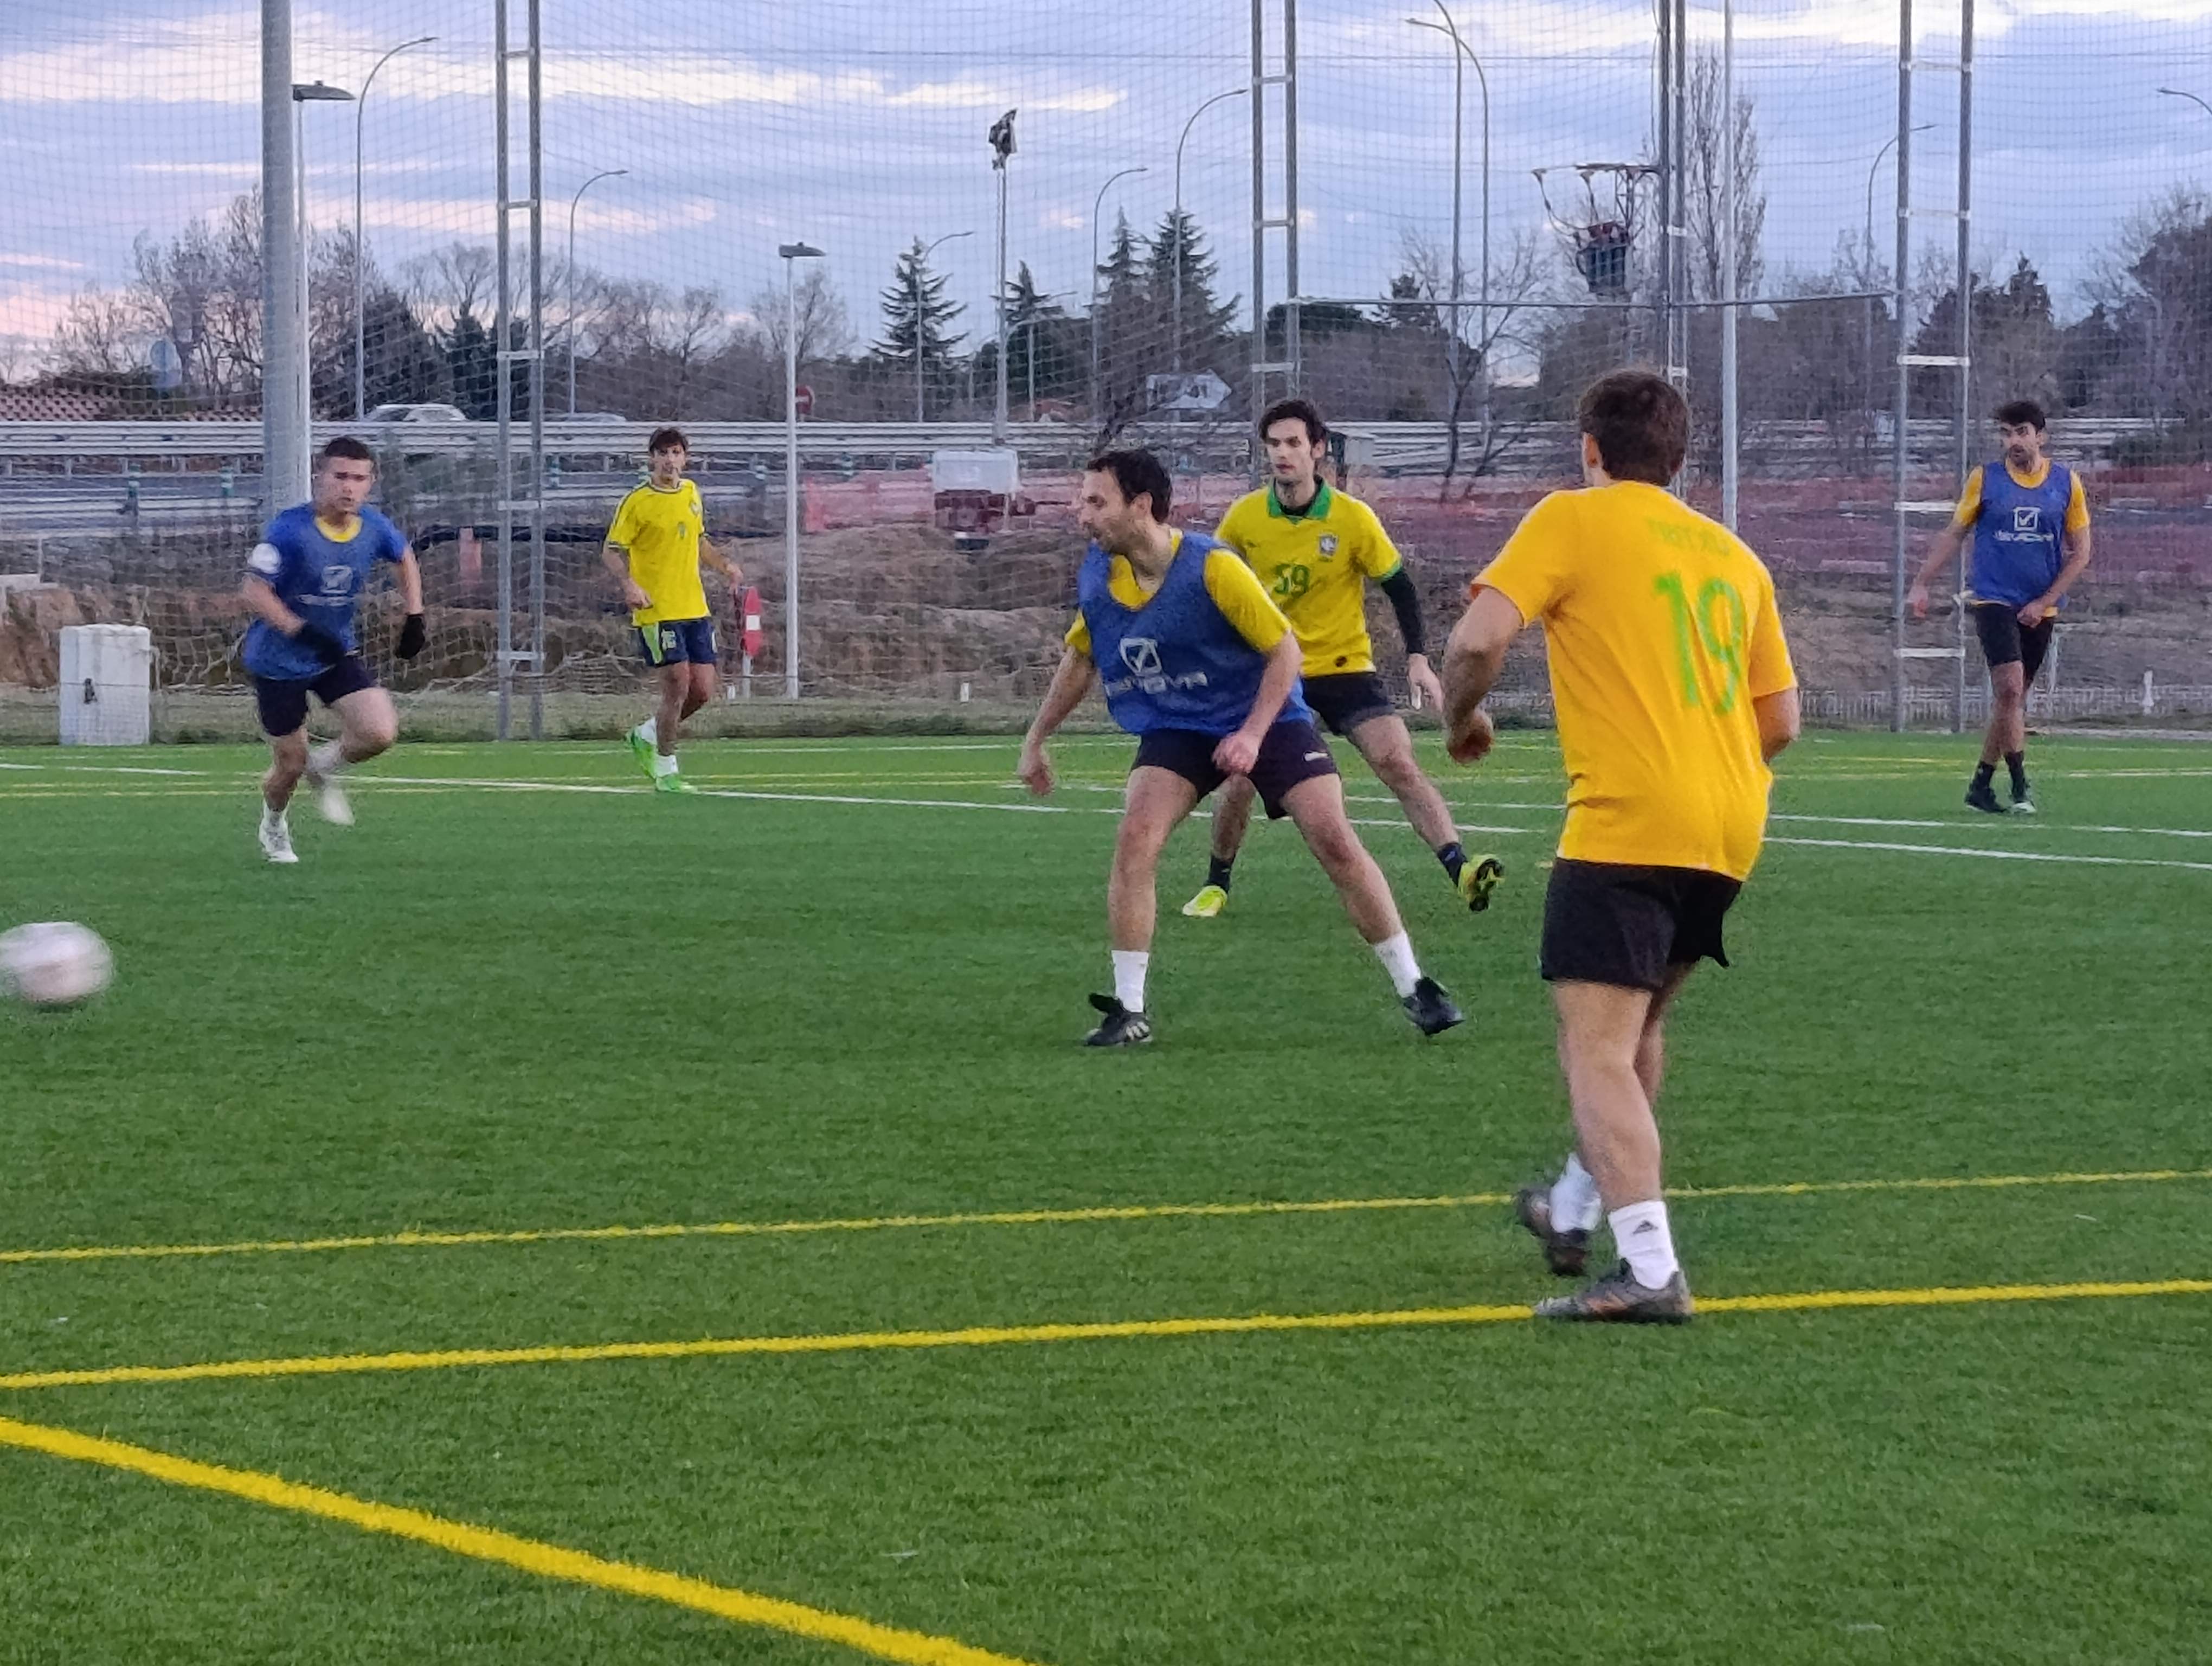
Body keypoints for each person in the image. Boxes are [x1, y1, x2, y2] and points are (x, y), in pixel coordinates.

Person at [1440, 370, 1799, 1322]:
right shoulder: (1736, 557)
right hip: (1730, 824)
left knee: (1593, 1050)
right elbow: (1782, 721)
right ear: (1678, 458)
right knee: (1635, 1031)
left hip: (1630, 817)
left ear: (1591, 449)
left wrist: (1459, 721)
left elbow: (1476, 642)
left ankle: (1650, 1272)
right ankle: (1571, 1208)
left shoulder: (1573, 518)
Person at [1019, 448, 1463, 1046]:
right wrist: (1036, 739)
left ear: (1141, 506)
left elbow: (1286, 653)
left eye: (1097, 502)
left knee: (1334, 839)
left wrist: (1252, 735)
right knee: (1136, 838)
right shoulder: (1102, 575)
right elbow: (1081, 658)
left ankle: (1416, 987)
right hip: (1179, 726)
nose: (1082, 515)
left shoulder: (1213, 568)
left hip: (1268, 716)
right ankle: (1129, 1010)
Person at [1182, 398, 1502, 920]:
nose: (1282, 453)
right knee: (1240, 778)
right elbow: (1214, 586)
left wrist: (1417, 659)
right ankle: (1216, 883)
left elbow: (1399, 588)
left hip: (1346, 669)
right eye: (1274, 444)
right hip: (1275, 673)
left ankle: (1462, 869)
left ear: (1318, 450)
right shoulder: (1243, 518)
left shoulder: (1352, 518)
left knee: (1397, 761)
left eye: (1293, 443)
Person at [239, 435, 425, 864]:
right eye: (340, 476)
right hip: (278, 662)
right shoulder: (288, 530)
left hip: (332, 654)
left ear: (370, 483)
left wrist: (415, 614)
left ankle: (322, 767)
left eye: (359, 479)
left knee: (378, 732)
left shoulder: (374, 526)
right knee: (289, 765)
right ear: (319, 477)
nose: (349, 487)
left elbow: (404, 557)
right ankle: (274, 826)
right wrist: (298, 629)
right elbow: (253, 591)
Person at [1907, 399, 2091, 815]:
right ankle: (2021, 787)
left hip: (2040, 608)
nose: (2014, 442)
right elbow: (1955, 533)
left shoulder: (2066, 483)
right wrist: (1922, 582)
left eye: (2022, 432)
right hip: (1994, 598)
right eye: (2006, 434)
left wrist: (2044, 602)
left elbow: (2081, 552)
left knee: (2012, 702)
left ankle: (1981, 784)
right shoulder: (1985, 479)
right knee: (2009, 688)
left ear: (2041, 437)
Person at [602, 426, 744, 793]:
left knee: (703, 691)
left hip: (694, 607)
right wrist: (629, 585)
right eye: (663, 453)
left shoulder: (692, 493)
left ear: (685, 458)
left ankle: (647, 734)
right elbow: (611, 551)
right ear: (652, 458)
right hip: (656, 610)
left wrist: (725, 566)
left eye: (676, 453)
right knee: (677, 685)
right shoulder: (637, 501)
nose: (669, 460)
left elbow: (699, 541)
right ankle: (667, 771)